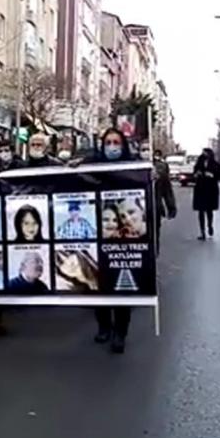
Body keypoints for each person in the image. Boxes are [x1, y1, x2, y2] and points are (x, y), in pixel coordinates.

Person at [90, 127, 133, 354]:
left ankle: (120, 332)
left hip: (122, 238)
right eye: (108, 143)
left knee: (122, 285)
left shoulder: (132, 166)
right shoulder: (94, 166)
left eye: (117, 142)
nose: (112, 147)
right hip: (98, 233)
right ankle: (103, 326)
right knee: (100, 283)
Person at [149, 146, 177, 254]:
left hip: (154, 206)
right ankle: (154, 251)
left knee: (154, 232)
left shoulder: (160, 167)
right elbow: (167, 190)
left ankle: (154, 252)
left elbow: (166, 190)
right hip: (150, 206)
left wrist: (171, 207)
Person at [192, 148, 220, 240]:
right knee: (201, 211)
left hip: (211, 189)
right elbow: (194, 174)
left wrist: (212, 175)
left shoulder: (216, 165)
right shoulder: (198, 165)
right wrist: (197, 174)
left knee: (209, 211)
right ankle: (202, 232)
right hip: (200, 189)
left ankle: (210, 225)